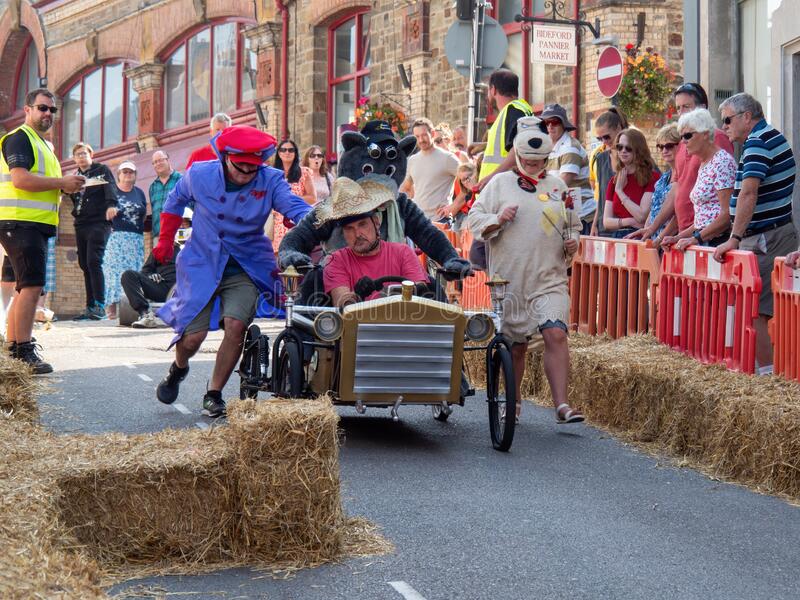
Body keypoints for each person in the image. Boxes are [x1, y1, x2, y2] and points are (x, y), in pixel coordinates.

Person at [153, 125, 312, 418]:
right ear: (225, 158)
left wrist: (311, 223)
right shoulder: (199, 175)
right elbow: (174, 200)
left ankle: (213, 394)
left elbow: (294, 206)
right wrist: (165, 238)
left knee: (236, 326)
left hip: (247, 264)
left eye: (253, 170)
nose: (246, 176)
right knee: (192, 339)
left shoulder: (270, 179)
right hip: (202, 262)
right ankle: (179, 368)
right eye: (240, 169)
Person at [468, 116, 583, 424]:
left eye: (539, 160)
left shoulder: (558, 187)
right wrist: (499, 219)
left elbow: (573, 224)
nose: (533, 164)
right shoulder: (499, 183)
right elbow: (474, 219)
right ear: (518, 155)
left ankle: (562, 405)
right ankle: (514, 401)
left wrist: (573, 241)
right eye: (527, 160)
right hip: (510, 279)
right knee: (516, 346)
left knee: (555, 333)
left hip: (549, 277)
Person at [0, 88, 85, 372]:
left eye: (52, 110)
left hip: (28, 224)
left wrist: (64, 185)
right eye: (42, 108)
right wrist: (61, 182)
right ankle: (23, 350)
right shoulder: (20, 138)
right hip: (20, 223)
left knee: (22, 288)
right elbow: (21, 179)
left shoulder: (44, 144)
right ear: (27, 110)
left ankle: (13, 349)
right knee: (32, 286)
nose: (48, 113)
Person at [713, 93, 797, 372]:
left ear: (746, 117)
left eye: (727, 119)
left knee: (754, 309)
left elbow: (749, 192)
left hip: (765, 237)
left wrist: (734, 237)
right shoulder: (766, 138)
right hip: (773, 233)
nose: (724, 126)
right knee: (762, 309)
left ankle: (769, 375)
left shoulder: (759, 142)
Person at [633, 83, 734, 241]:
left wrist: (695, 237)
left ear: (702, 108)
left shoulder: (717, 140)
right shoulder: (684, 146)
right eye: (678, 108)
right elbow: (678, 192)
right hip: (688, 231)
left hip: (710, 236)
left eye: (686, 106)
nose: (682, 112)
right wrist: (656, 230)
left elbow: (724, 209)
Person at [321, 178, 429, 307]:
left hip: (402, 323)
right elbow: (342, 303)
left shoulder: (403, 252)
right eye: (349, 228)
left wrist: (414, 289)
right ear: (343, 233)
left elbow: (420, 291)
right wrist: (357, 294)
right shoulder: (336, 260)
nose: (357, 234)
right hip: (358, 325)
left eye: (362, 224)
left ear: (376, 223)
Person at [661, 109, 736, 251]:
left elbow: (727, 214)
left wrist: (696, 238)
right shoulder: (705, 163)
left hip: (717, 244)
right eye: (681, 136)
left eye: (688, 136)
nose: (683, 141)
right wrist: (678, 237)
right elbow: (703, 218)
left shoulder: (721, 162)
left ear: (705, 134)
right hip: (705, 241)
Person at [68, 141, 118, 320]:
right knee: (84, 263)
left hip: (99, 222)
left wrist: (112, 205)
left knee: (93, 261)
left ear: (91, 155)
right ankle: (90, 307)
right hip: (81, 223)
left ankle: (99, 305)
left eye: (84, 153)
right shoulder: (75, 177)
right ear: (74, 159)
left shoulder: (101, 170)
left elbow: (110, 187)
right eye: (77, 155)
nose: (81, 157)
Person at [102, 161, 148, 320]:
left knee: (134, 271)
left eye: (131, 172)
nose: (128, 175)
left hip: (135, 239)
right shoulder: (112, 191)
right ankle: (111, 310)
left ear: (135, 175)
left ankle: (132, 308)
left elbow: (143, 214)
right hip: (117, 238)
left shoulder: (140, 193)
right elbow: (102, 213)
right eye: (125, 172)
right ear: (119, 175)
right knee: (113, 272)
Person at [541, 103, 595, 234]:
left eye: (554, 121)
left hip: (580, 218)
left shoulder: (570, 147)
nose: (550, 126)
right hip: (561, 215)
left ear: (563, 124)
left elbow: (561, 184)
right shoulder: (547, 147)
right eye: (546, 123)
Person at [477, 69, 533, 190]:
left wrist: (492, 176)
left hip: (504, 187)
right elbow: (506, 145)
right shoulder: (517, 109)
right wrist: (482, 146)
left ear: (493, 90)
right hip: (503, 186)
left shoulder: (513, 110)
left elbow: (518, 149)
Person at [399, 118, 460, 222]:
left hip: (440, 220)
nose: (421, 140)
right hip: (419, 221)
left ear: (432, 133)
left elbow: (468, 181)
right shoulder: (412, 160)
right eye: (417, 137)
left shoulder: (447, 158)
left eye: (424, 135)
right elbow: (405, 188)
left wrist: (453, 207)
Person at [602, 128, 660, 238]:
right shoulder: (614, 181)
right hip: (618, 237)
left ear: (638, 150)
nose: (623, 151)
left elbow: (642, 216)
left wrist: (620, 192)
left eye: (628, 148)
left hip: (640, 237)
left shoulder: (652, 178)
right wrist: (628, 221)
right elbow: (606, 222)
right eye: (619, 147)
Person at [636, 124, 680, 244]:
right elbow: (654, 208)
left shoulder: (685, 176)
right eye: (660, 147)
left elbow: (679, 215)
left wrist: (659, 239)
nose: (664, 150)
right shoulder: (664, 177)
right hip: (655, 237)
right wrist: (647, 233)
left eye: (669, 146)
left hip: (670, 240)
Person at [589, 107, 628, 236]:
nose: (604, 142)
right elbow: (601, 195)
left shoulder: (634, 155)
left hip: (627, 227)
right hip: (604, 227)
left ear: (618, 128)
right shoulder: (601, 158)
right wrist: (595, 224)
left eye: (607, 137)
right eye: (600, 139)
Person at [272, 139, 316, 252]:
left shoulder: (304, 172)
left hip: (296, 222)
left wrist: (287, 200)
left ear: (295, 153)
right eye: (283, 150)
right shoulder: (272, 174)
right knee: (278, 261)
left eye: (291, 150)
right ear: (279, 153)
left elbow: (312, 197)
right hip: (276, 224)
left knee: (297, 256)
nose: (287, 152)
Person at [148, 150, 182, 243]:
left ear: (168, 160)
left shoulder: (181, 180)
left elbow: (190, 206)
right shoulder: (153, 187)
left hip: (178, 234)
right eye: (155, 162)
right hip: (158, 237)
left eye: (160, 160)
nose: (157, 164)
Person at [444, 163, 478, 233]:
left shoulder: (480, 190)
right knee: (454, 233)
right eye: (462, 180)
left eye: (467, 178)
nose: (466, 182)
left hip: (471, 220)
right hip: (460, 216)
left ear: (475, 175)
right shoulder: (467, 194)